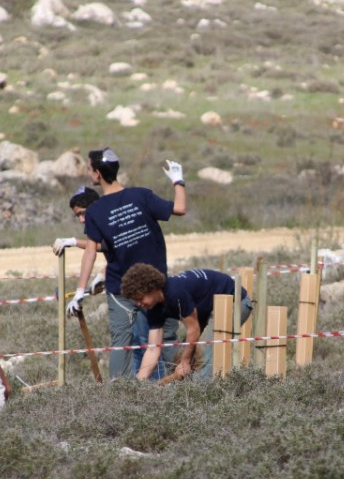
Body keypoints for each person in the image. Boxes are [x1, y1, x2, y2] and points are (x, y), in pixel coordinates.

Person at [65, 147, 186, 379]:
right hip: (155, 285)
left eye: (90, 169)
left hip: (120, 289)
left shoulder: (96, 211)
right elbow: (180, 208)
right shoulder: (142, 195)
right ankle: (176, 384)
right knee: (161, 338)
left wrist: (80, 290)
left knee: (123, 342)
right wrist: (178, 181)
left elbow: (90, 252)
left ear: (97, 174)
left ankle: (120, 394)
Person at [121, 263, 253, 380]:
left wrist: (185, 362)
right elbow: (152, 350)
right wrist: (137, 384)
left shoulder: (175, 293)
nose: (138, 304)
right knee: (181, 356)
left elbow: (193, 329)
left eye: (140, 298)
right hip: (209, 311)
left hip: (237, 301)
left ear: (152, 288)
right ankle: (186, 392)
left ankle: (202, 397)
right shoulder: (154, 309)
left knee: (202, 350)